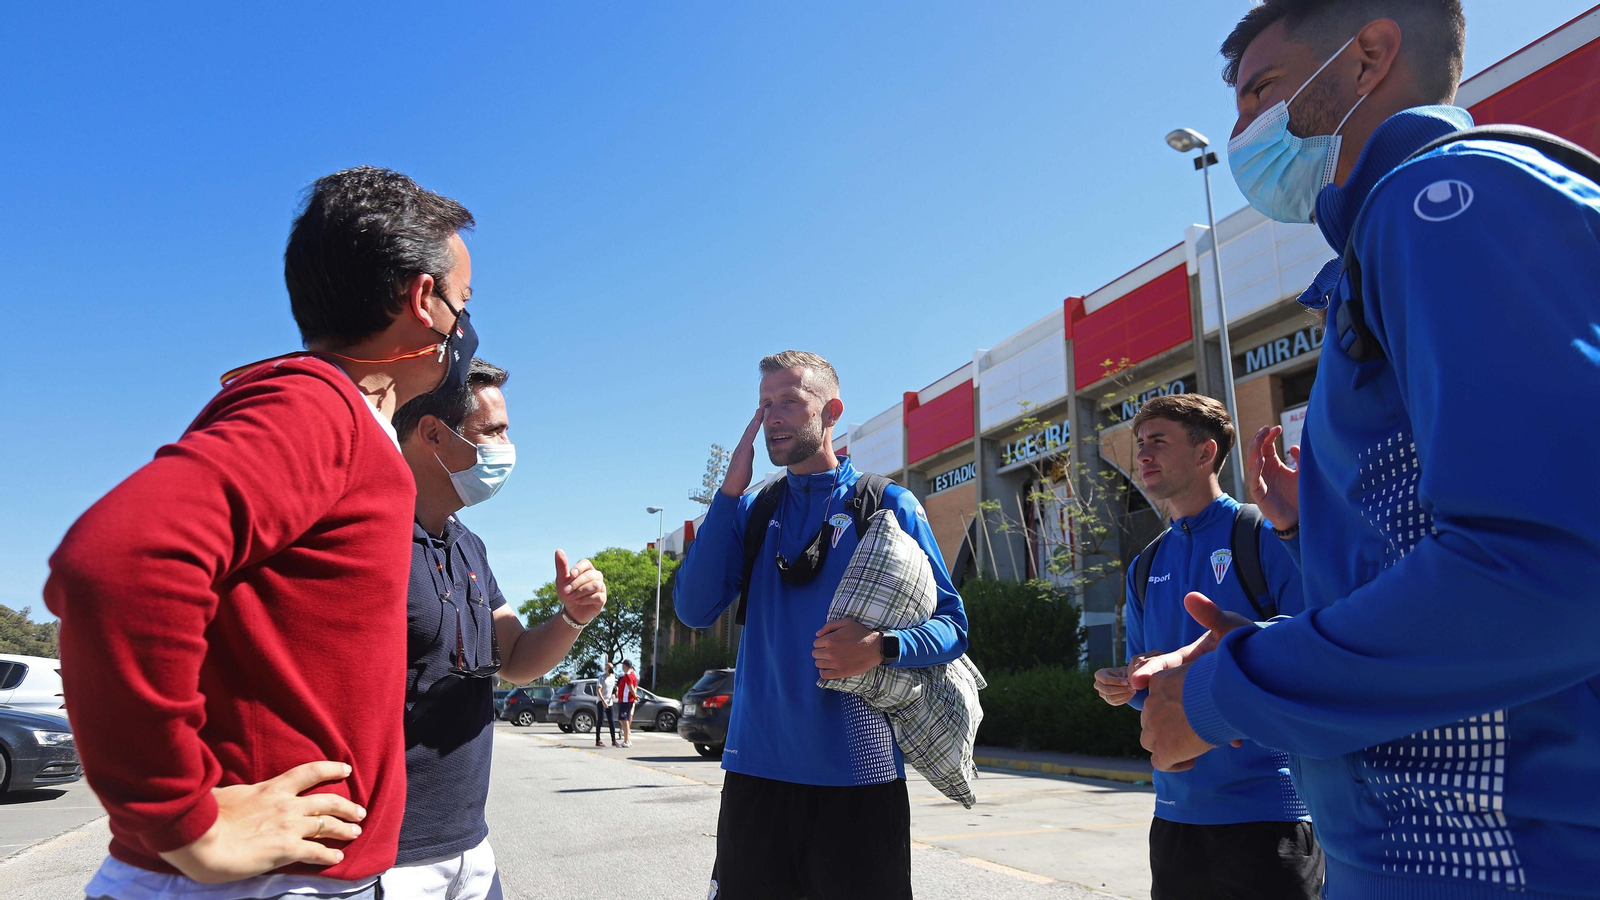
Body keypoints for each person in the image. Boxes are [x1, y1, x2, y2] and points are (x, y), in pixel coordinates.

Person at [1134, 1, 1600, 896]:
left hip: (1510, 860)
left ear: (1369, 57)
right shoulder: (1395, 235)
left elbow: (1550, 565)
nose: (1243, 132)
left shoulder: (1445, 205)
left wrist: (1225, 691)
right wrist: (1277, 626)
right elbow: (1449, 574)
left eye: (1262, 89)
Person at [44, 167, 478, 900]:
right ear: (421, 300)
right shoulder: (316, 407)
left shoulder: (343, 420)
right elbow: (116, 563)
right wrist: (187, 822)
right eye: (463, 303)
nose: (465, 330)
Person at [675, 350, 969, 900]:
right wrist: (729, 493)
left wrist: (882, 647)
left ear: (830, 411)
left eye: (790, 400)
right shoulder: (754, 511)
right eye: (765, 404)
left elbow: (954, 626)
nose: (774, 416)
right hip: (755, 773)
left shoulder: (886, 505)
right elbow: (693, 609)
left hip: (858, 776)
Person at [383, 357, 608, 900]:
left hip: (469, 846)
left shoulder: (468, 546)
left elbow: (514, 656)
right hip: (391, 860)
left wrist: (572, 616)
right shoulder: (373, 539)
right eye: (494, 431)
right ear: (433, 433)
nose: (507, 447)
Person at [1092, 395, 1320, 899]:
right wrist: (1126, 682)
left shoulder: (1264, 533)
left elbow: (1314, 651)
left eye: (1159, 441)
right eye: (1140, 443)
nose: (1144, 455)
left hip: (1271, 811)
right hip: (1174, 817)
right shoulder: (1145, 564)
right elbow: (1149, 682)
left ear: (1204, 453)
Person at [616, 660, 640, 748]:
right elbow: (634, 687)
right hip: (624, 700)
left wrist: (635, 696)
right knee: (622, 719)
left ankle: (626, 741)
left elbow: (631, 688)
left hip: (625, 700)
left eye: (623, 666)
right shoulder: (632, 675)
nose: (622, 667)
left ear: (626, 666)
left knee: (624, 720)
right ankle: (627, 739)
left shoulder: (628, 676)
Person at [596, 662, 619, 748]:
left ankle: (613, 740)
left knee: (611, 721)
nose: (610, 670)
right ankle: (598, 740)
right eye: (609, 668)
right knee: (600, 720)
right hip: (601, 702)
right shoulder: (602, 678)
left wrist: (614, 693)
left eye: (612, 668)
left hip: (610, 702)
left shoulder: (613, 677)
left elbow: (615, 687)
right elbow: (598, 690)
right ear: (606, 669)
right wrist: (602, 700)